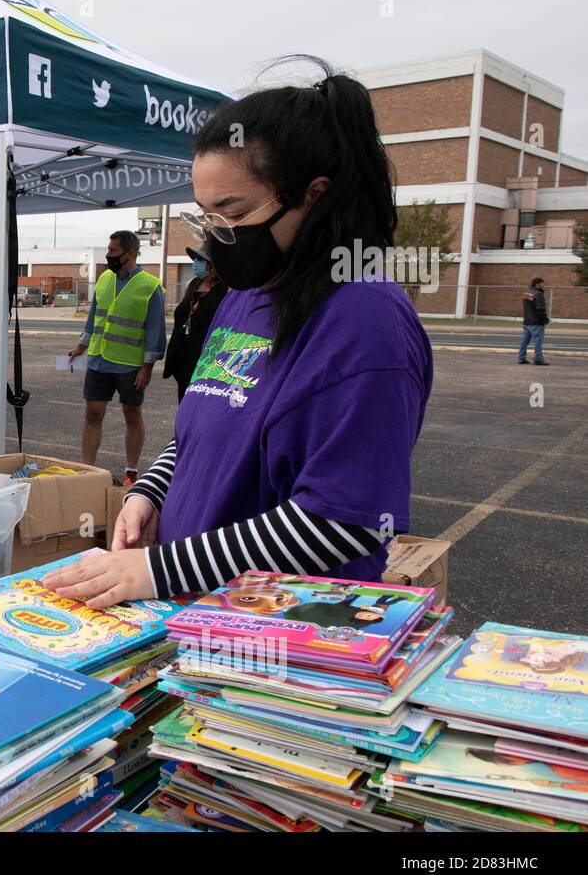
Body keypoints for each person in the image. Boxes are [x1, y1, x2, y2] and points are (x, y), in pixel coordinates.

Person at [43, 56, 433, 609]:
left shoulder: (365, 320)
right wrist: (152, 492)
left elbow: (346, 523)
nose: (217, 235)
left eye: (232, 211)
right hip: (194, 608)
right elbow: (203, 428)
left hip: (282, 629)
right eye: (205, 215)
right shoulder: (246, 294)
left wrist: (158, 568)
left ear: (314, 195)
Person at [66, 230, 166, 486]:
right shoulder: (103, 280)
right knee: (92, 413)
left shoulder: (150, 286)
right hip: (99, 359)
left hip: (130, 364)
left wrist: (147, 367)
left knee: (131, 413)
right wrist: (81, 347)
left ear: (129, 253)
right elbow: (93, 318)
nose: (108, 255)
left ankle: (131, 471)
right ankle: (88, 470)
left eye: (113, 251)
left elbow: (155, 331)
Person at [163, 246, 228, 400]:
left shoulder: (226, 290)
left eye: (200, 260)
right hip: (182, 359)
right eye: (196, 259)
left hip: (206, 360)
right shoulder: (191, 284)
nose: (195, 263)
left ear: (213, 264)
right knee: (183, 404)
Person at [519, 276, 550, 366]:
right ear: (537, 284)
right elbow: (540, 309)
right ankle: (538, 359)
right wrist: (545, 319)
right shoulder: (538, 294)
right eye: (541, 284)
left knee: (524, 341)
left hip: (527, 320)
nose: (543, 286)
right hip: (536, 322)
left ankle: (521, 358)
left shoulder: (527, 293)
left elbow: (527, 308)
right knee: (538, 341)